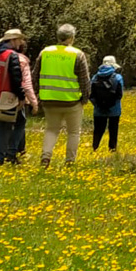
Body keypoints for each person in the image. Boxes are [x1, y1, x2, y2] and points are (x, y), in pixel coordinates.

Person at [34, 23, 92, 167]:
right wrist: (85, 98)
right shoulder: (78, 54)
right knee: (73, 132)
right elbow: (84, 80)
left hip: (49, 99)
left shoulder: (45, 52)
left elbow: (35, 75)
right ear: (72, 37)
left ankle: (46, 157)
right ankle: (70, 161)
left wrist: (37, 95)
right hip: (71, 101)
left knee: (51, 129)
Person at [0, 28, 37, 164]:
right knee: (19, 123)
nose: (20, 43)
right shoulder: (11, 55)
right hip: (8, 95)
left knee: (0, 126)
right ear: (13, 40)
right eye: (19, 39)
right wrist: (21, 97)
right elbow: (15, 79)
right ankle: (11, 154)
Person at [90, 56, 125, 154]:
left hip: (98, 110)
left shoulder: (95, 77)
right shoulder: (118, 77)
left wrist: (98, 105)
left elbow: (91, 95)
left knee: (98, 130)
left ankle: (95, 148)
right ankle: (112, 149)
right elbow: (120, 95)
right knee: (113, 130)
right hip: (114, 110)